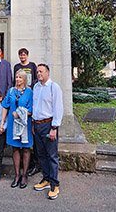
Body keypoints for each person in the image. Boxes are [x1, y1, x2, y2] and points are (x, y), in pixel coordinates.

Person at [32, 64, 63, 200]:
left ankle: (55, 184)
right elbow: (35, 107)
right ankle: (46, 179)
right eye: (37, 71)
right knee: (41, 155)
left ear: (47, 73)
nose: (38, 73)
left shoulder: (53, 87)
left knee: (52, 156)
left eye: (41, 71)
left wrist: (54, 128)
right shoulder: (36, 87)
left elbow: (58, 108)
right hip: (37, 125)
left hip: (48, 125)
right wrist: (33, 123)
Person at [1, 70, 34, 189]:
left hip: (25, 124)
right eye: (17, 77)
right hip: (12, 124)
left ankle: (24, 175)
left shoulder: (29, 92)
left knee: (25, 149)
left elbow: (31, 110)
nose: (18, 79)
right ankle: (17, 175)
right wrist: (2, 122)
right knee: (15, 148)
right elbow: (5, 106)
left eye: (20, 77)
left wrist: (20, 114)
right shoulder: (11, 91)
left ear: (24, 79)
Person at [13, 48, 39, 176]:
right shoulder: (17, 66)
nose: (22, 56)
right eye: (20, 55)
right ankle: (20, 172)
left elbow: (34, 79)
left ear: (27, 55)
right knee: (17, 145)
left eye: (24, 54)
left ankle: (30, 166)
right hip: (19, 94)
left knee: (27, 143)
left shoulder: (32, 65)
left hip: (28, 93)